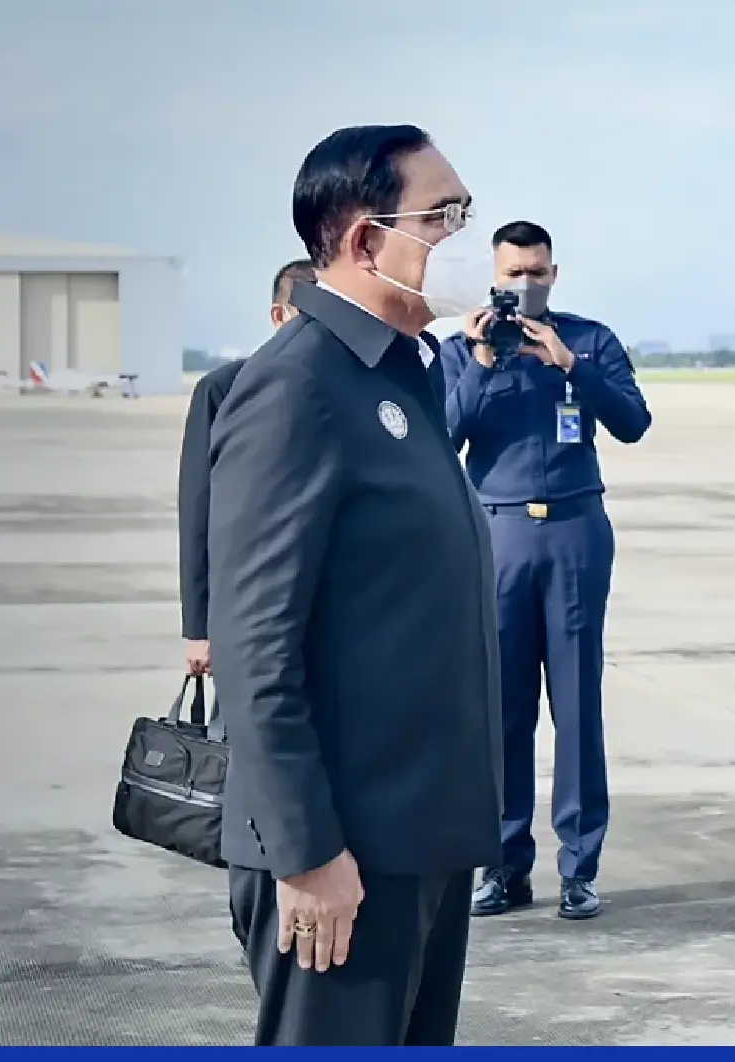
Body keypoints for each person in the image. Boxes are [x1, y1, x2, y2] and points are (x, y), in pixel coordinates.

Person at [207, 124, 505, 1046]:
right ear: (367, 240)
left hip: (420, 833)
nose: (462, 237)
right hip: (344, 850)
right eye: (443, 216)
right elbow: (255, 646)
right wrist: (306, 852)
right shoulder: (300, 388)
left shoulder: (406, 375)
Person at [439, 220, 652, 922]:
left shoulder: (588, 340)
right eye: (513, 274)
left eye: (536, 273)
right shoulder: (463, 349)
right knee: (502, 709)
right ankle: (503, 866)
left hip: (574, 531)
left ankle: (579, 869)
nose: (524, 285)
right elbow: (443, 436)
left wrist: (570, 366)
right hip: (497, 534)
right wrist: (481, 361)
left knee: (577, 704)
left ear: (553, 275)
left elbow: (633, 423)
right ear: (493, 277)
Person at [177, 259, 316, 675]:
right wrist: (197, 627)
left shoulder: (354, 389)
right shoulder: (223, 391)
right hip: (251, 606)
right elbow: (198, 510)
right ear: (279, 316)